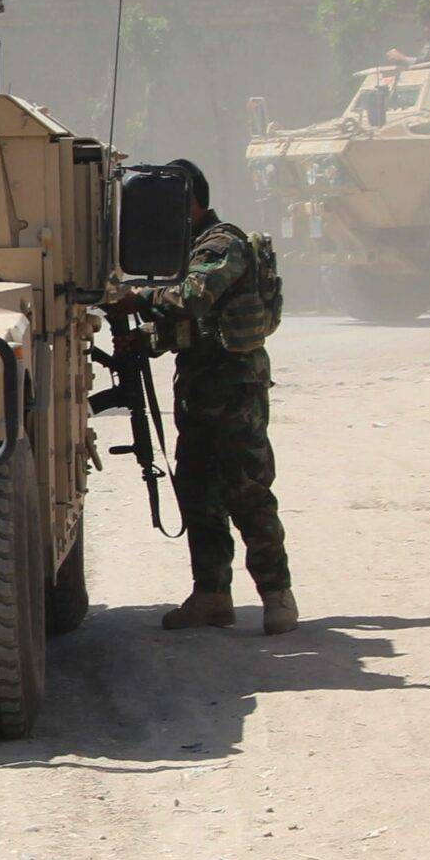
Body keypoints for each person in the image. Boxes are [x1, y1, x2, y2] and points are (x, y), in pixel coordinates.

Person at [115, 159, 297, 635]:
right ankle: (212, 594)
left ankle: (278, 597)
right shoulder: (188, 250)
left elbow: (195, 297)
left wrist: (136, 299)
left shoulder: (222, 244)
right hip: (198, 391)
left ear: (189, 201)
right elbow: (191, 328)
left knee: (248, 492)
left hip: (235, 392)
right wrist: (145, 341)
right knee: (198, 495)